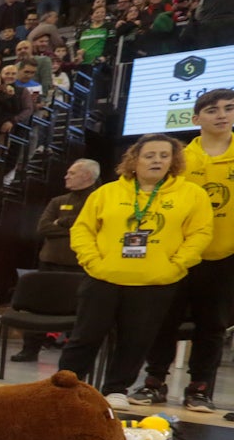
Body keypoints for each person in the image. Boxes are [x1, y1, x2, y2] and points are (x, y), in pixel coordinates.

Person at [57, 136, 213, 409]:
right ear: (134, 160)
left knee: (136, 340)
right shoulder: (106, 193)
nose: (157, 160)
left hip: (155, 281)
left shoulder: (192, 194)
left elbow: (200, 234)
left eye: (164, 155)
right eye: (149, 155)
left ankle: (116, 389)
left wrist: (175, 264)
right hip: (103, 277)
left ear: (174, 161)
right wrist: (93, 261)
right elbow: (82, 229)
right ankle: (63, 388)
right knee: (85, 337)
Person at [133, 90, 234, 410]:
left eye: (229, 108)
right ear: (196, 119)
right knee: (164, 320)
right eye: (212, 110)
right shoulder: (178, 160)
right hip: (176, 255)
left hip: (224, 256)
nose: (222, 114)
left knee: (213, 325)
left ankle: (200, 388)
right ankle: (154, 381)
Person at [12, 159, 101, 361]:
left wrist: (62, 221)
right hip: (49, 263)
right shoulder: (58, 201)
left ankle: (76, 354)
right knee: (38, 305)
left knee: (81, 312)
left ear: (87, 175)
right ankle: (30, 349)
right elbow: (43, 228)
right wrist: (74, 225)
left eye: (71, 173)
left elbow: (95, 228)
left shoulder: (99, 199)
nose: (66, 176)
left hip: (82, 265)